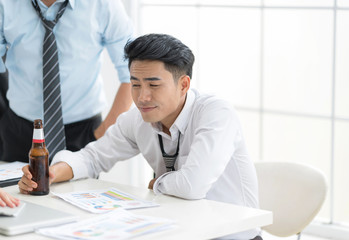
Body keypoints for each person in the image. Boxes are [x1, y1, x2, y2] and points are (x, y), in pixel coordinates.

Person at [19, 34, 261, 240]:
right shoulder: (138, 119)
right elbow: (93, 157)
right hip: (178, 232)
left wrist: (157, 183)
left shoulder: (215, 113)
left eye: (153, 85)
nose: (142, 97)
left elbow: (192, 186)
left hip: (231, 235)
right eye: (135, 85)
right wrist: (50, 174)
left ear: (184, 85)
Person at [0, 0, 134, 162]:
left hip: (83, 131)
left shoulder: (103, 4)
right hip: (20, 129)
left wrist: (104, 133)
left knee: (81, 188)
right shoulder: (5, 5)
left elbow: (132, 73)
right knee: (16, 188)